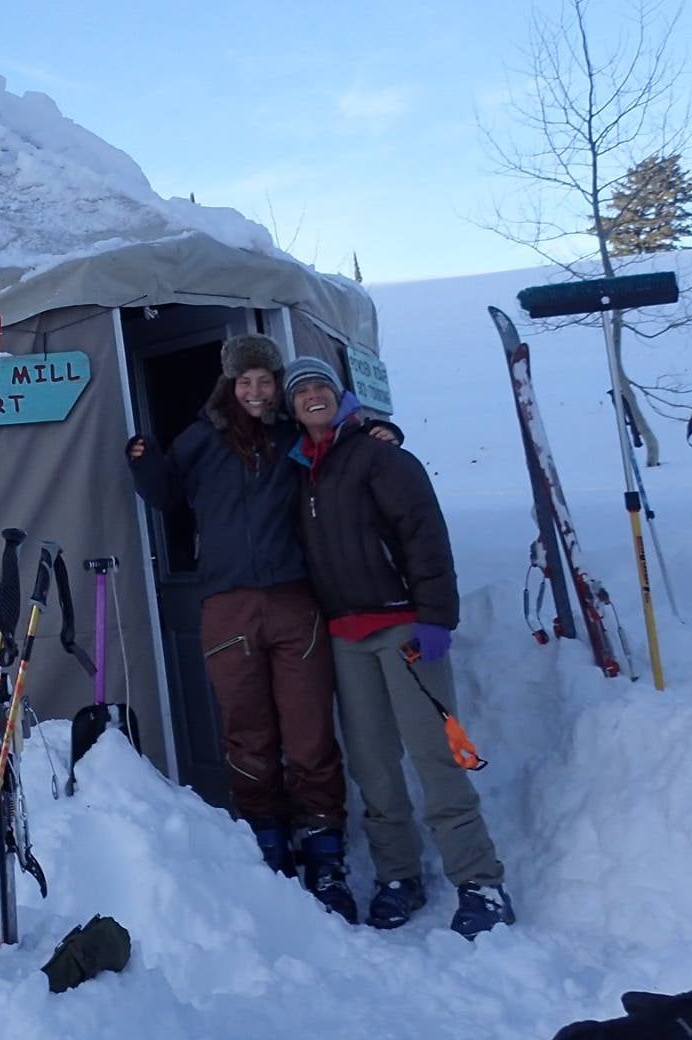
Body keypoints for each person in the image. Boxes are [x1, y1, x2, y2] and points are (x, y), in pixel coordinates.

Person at [281, 354, 515, 939]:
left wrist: (436, 616)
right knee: (372, 763)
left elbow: (425, 537)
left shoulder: (381, 456)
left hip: (404, 627)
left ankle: (480, 880)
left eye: (321, 387)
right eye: (301, 390)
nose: (312, 396)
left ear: (340, 395)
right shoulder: (303, 468)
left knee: (435, 756)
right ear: (290, 406)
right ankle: (397, 876)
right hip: (345, 636)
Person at [125, 333, 355, 922]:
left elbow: (343, 446)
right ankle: (267, 841)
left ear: (278, 384)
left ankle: (325, 850)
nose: (255, 391)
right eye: (244, 381)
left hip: (292, 599)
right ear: (229, 383)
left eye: (265, 380)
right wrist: (144, 462)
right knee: (247, 731)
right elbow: (168, 495)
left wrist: (382, 430)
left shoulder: (292, 437)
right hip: (227, 603)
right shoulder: (202, 439)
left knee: (308, 733)